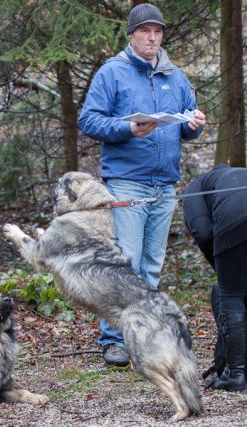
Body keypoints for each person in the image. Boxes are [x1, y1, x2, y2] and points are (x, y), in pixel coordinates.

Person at [78, 3, 206, 367]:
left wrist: (194, 124)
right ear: (132, 35)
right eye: (145, 31)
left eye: (157, 31)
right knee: (126, 264)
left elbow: (186, 126)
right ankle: (113, 340)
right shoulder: (112, 73)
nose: (152, 37)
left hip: (164, 183)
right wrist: (126, 128)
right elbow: (89, 120)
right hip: (126, 183)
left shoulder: (175, 77)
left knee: (151, 265)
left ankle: (143, 336)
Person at [183, 164, 247, 392]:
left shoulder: (193, 188)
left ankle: (236, 374)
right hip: (236, 213)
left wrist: (222, 265)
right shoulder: (237, 175)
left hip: (235, 217)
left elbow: (202, 231)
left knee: (230, 294)